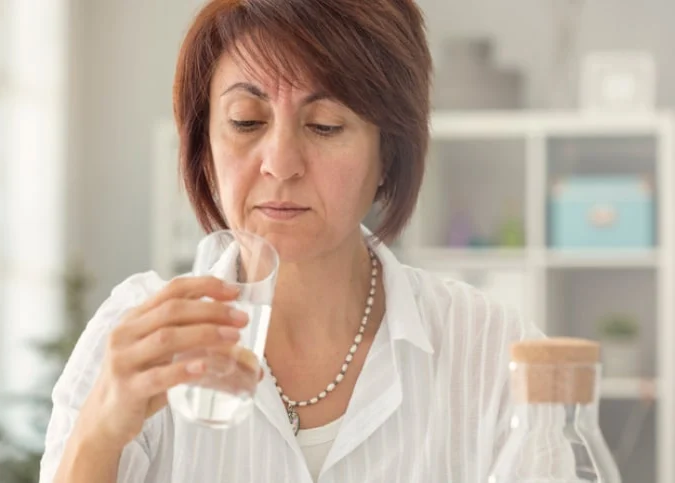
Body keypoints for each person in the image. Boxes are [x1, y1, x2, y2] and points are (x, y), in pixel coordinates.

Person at [39, 0, 543, 481]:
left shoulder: (494, 353)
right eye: (246, 122)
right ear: (204, 144)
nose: (280, 163)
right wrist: (98, 435)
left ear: (389, 153)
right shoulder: (134, 336)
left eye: (324, 126)